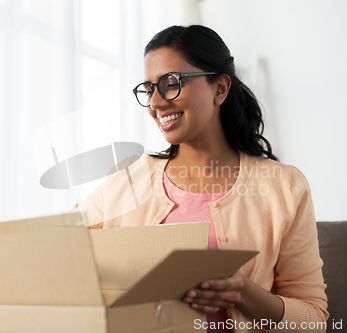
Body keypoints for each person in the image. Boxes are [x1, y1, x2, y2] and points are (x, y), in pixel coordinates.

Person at [79, 25, 328, 333]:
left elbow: (314, 320)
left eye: (171, 83)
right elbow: (64, 262)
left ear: (220, 88)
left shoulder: (285, 187)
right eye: (149, 89)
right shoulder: (125, 182)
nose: (156, 103)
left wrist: (244, 293)